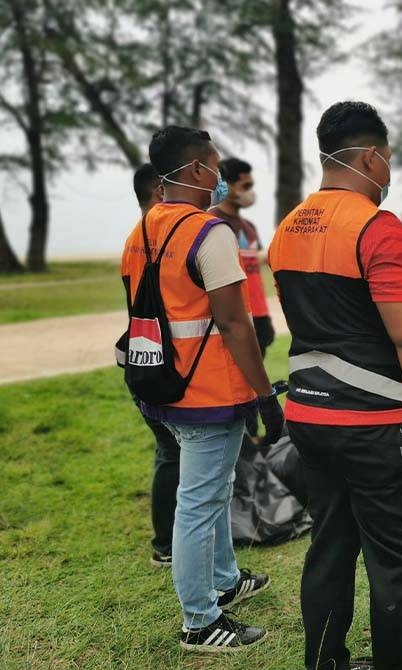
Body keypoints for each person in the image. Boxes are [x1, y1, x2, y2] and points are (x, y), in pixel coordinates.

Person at [269, 101, 402, 670]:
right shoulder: (378, 228)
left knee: (329, 548)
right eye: (388, 159)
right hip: (376, 425)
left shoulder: (289, 226)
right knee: (397, 561)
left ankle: (324, 662)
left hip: (310, 417)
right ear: (373, 156)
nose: (389, 171)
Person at [122, 126, 284, 651]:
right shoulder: (209, 232)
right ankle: (200, 620)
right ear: (196, 171)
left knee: (209, 496)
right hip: (209, 391)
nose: (219, 176)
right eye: (214, 167)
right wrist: (264, 395)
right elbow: (236, 324)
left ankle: (224, 579)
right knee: (201, 501)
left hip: (159, 383)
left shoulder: (142, 229)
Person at [127, 163, 181, 569]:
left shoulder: (134, 238)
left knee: (168, 452)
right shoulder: (166, 235)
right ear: (161, 189)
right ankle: (167, 543)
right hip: (167, 367)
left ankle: (166, 540)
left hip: (141, 360)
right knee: (173, 454)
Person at [209, 157, 275, 358]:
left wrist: (264, 318)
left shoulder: (250, 228)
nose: (250, 192)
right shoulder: (211, 223)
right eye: (245, 186)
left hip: (259, 315)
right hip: (235, 319)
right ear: (227, 186)